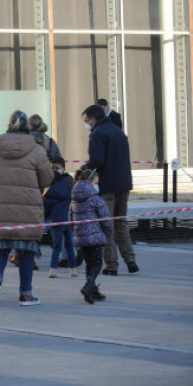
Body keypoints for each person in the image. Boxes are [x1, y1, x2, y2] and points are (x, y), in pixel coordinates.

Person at [0, 110, 54, 306]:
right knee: (27, 251)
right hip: (27, 207)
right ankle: (25, 294)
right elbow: (47, 178)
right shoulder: (37, 149)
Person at [81, 104, 139, 275]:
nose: (86, 125)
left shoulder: (97, 134)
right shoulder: (118, 131)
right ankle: (130, 260)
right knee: (121, 222)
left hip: (107, 185)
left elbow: (97, 160)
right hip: (124, 184)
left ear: (93, 119)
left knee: (107, 224)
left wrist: (84, 168)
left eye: (86, 121)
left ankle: (112, 265)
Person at [70, 168, 112, 304]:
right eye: (96, 182)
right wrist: (107, 233)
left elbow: (70, 218)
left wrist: (76, 231)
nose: (97, 185)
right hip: (95, 237)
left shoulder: (74, 198)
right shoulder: (95, 199)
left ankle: (93, 291)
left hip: (81, 237)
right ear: (91, 182)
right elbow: (105, 218)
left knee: (89, 263)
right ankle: (88, 287)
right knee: (98, 264)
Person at [44, 157, 77, 278]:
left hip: (56, 222)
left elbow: (46, 209)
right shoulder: (68, 188)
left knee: (56, 246)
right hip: (67, 220)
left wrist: (45, 218)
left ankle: (53, 269)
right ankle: (73, 269)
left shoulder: (49, 193)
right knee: (69, 245)